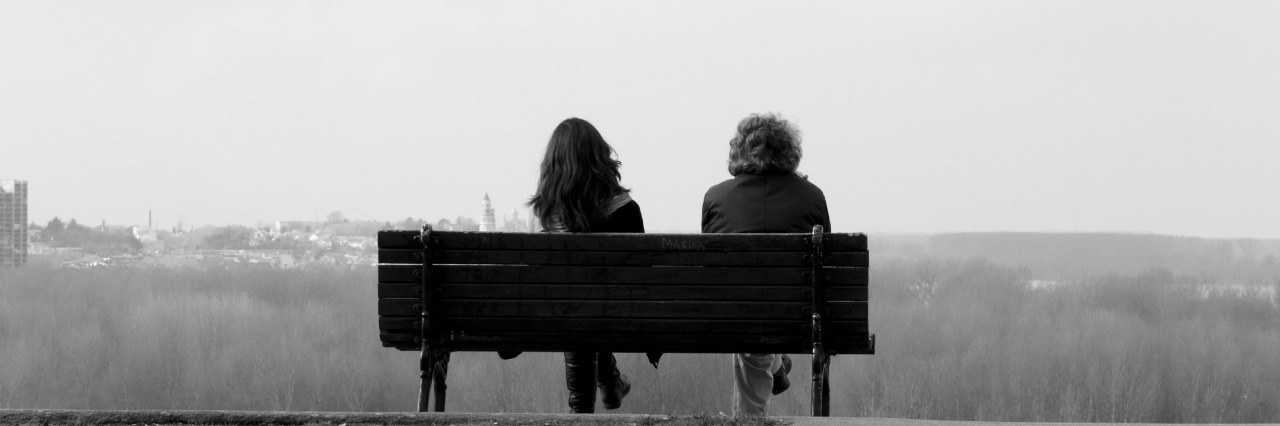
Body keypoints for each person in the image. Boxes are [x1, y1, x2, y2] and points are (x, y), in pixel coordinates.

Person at [702, 112, 830, 416]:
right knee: (759, 314)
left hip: (731, 316)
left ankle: (770, 369)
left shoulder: (716, 197)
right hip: (796, 317)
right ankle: (771, 369)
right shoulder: (811, 197)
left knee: (747, 309)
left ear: (739, 150)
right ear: (788, 151)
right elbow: (826, 270)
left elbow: (711, 271)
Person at [528, 117, 641, 413]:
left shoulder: (547, 221)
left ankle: (585, 405)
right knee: (589, 306)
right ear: (599, 159)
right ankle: (611, 381)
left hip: (563, 318)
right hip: (624, 317)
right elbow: (641, 279)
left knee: (575, 305)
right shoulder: (627, 210)